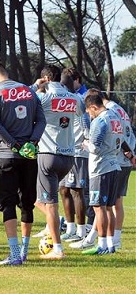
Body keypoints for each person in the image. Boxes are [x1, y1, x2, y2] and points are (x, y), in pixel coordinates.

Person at [0, 61, 46, 265]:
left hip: (6, 156)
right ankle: (24, 252)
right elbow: (41, 120)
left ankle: (13, 254)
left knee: (7, 203)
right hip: (29, 157)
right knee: (27, 203)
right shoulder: (29, 92)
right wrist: (32, 142)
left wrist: (14, 144)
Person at [31, 64, 80, 260]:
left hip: (48, 154)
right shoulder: (74, 98)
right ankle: (56, 224)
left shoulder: (44, 97)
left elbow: (23, 98)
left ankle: (57, 248)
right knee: (41, 199)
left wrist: (36, 86)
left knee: (49, 203)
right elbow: (81, 116)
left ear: (46, 79)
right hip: (68, 156)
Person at [81, 89, 123, 255]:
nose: (88, 114)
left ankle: (102, 245)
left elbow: (95, 148)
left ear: (93, 107)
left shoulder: (100, 121)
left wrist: (85, 144)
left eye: (88, 110)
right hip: (114, 164)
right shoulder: (115, 117)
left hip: (101, 168)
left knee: (99, 208)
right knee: (108, 207)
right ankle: (111, 245)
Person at [57, 68, 91, 243]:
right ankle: (70, 228)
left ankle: (81, 230)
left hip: (78, 152)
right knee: (63, 190)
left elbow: (85, 121)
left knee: (77, 191)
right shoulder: (65, 100)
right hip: (66, 151)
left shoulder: (78, 100)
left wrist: (86, 138)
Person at [99, 90, 135, 250]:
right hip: (125, 158)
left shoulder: (110, 112)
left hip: (119, 159)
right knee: (114, 202)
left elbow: (117, 134)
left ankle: (113, 240)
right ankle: (114, 239)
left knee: (112, 203)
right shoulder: (119, 108)